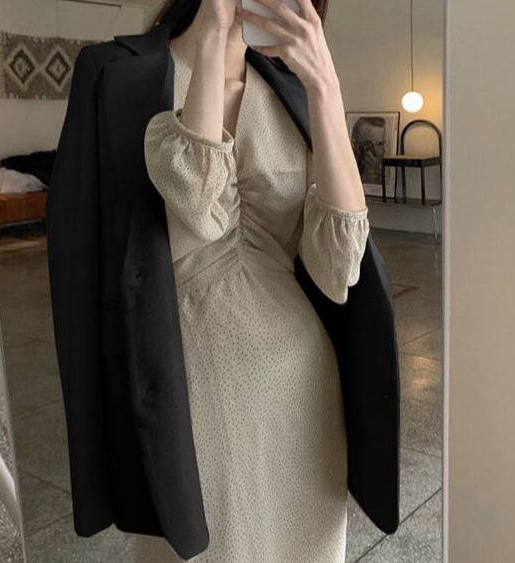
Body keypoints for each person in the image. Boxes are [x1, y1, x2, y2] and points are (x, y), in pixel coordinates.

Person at [134, 0, 370, 561]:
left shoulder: (291, 93)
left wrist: (325, 87)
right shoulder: (128, 79)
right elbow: (197, 199)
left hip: (305, 393)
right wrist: (214, 34)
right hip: (193, 389)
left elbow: (339, 265)